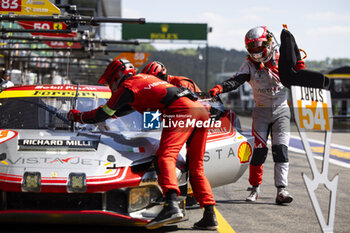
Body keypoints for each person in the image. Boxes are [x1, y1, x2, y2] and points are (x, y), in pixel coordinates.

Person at [67, 59, 218, 230]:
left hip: (181, 111)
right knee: (196, 166)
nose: (110, 87)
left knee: (165, 157)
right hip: (200, 111)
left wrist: (77, 116)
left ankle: (171, 206)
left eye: (110, 83)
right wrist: (107, 117)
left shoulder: (128, 87)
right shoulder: (145, 82)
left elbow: (103, 113)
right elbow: (122, 110)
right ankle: (209, 214)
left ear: (117, 77)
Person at [209, 26, 293, 204]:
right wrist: (220, 88)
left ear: (269, 42)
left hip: (281, 111)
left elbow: (297, 79)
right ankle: (255, 188)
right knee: (258, 152)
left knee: (281, 151)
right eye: (252, 46)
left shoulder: (281, 60)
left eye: (259, 45)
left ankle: (282, 190)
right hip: (261, 111)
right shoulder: (249, 65)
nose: (256, 50)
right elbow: (236, 80)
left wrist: (296, 70)